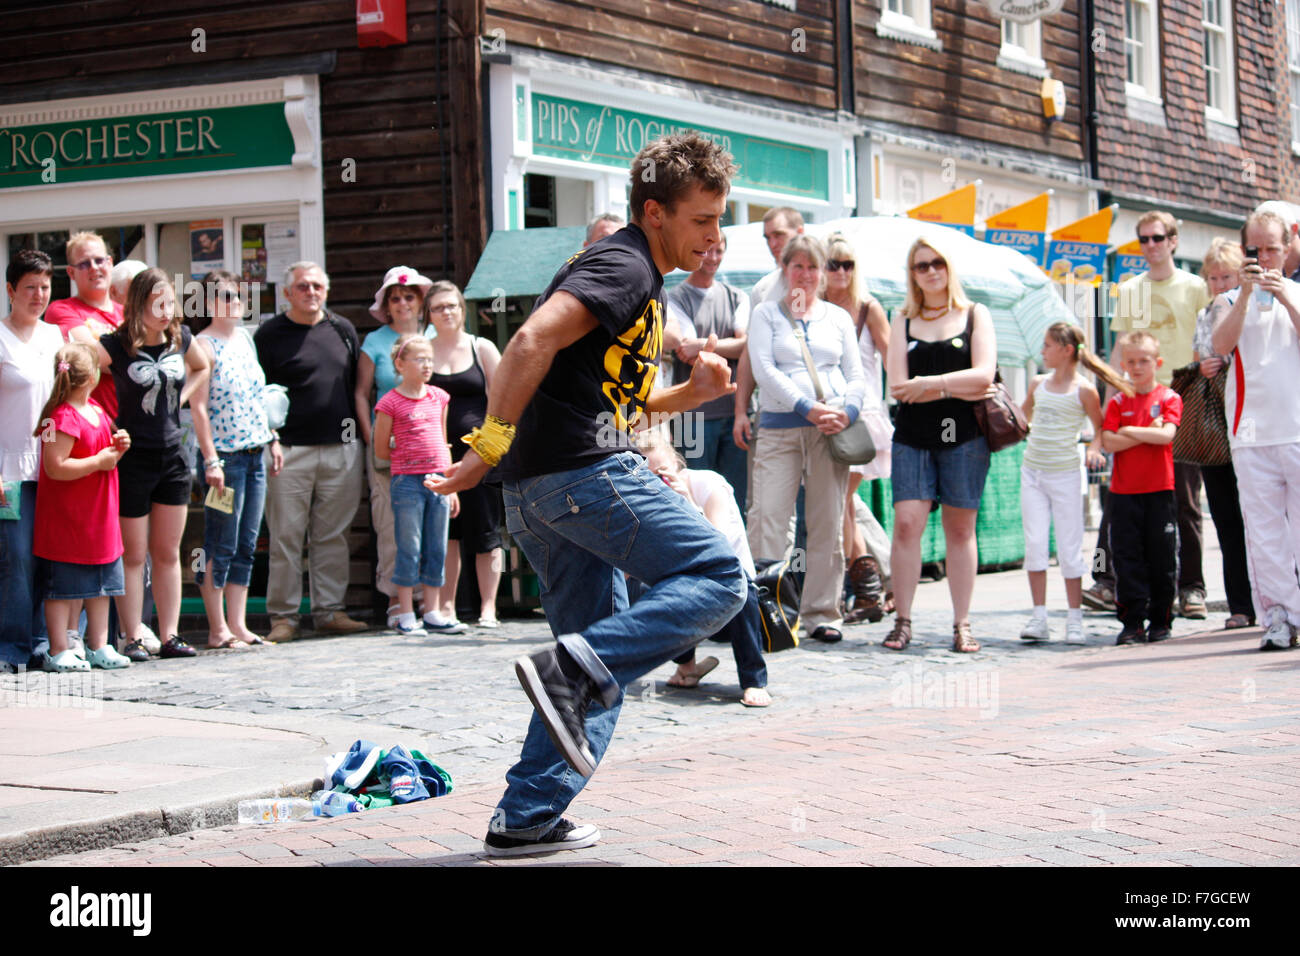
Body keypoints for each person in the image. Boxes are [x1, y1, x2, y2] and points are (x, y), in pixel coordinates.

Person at [430, 132, 745, 857]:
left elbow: (608, 408)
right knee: (720, 574)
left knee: (595, 669)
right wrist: (487, 444)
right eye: (702, 220)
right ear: (655, 212)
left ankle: (526, 816)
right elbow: (528, 342)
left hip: (549, 493)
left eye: (719, 221)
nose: (713, 237)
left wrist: (687, 396)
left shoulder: (645, 280)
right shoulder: (625, 263)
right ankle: (573, 670)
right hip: (582, 479)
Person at [747, 234, 865, 643]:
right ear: (785, 269)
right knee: (768, 520)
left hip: (830, 433)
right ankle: (769, 612)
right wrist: (805, 406)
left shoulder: (838, 318)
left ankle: (822, 613)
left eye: (814, 266)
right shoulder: (766, 314)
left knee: (827, 523)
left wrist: (846, 412)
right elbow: (764, 368)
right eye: (798, 265)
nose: (806, 274)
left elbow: (856, 374)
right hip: (780, 429)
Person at [96, 268, 218, 660]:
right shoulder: (116, 344)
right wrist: (100, 420)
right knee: (133, 553)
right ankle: (131, 636)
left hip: (173, 455)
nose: (166, 312)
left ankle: (170, 635)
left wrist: (182, 399)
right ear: (138, 305)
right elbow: (75, 372)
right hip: (132, 458)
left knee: (168, 552)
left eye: (170, 303)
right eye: (157, 304)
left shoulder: (180, 338)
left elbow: (202, 366)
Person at [883, 237, 997, 654]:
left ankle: (962, 623)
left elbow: (984, 378)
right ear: (912, 275)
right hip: (912, 436)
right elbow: (898, 388)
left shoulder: (974, 314)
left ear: (949, 267)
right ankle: (903, 620)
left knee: (960, 528)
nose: (930, 271)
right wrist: (955, 386)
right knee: (907, 524)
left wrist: (930, 384)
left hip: (964, 436)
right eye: (920, 266)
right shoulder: (903, 320)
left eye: (937, 263)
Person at [1106, 211, 1211, 620]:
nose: (1150, 245)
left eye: (1156, 238)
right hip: (1136, 397)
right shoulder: (1131, 289)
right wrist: (1110, 402)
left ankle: (1191, 587)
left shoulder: (1196, 287)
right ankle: (1113, 581)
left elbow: (1206, 341)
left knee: (1183, 498)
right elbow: (1119, 349)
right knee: (1126, 496)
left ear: (1173, 241)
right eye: (1142, 239)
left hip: (1182, 395)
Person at [255, 262, 367, 642]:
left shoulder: (342, 330)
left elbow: (356, 388)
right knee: (286, 536)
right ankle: (284, 617)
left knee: (333, 535)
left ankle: (329, 610)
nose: (311, 292)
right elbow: (260, 393)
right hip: (289, 451)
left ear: (327, 290)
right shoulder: (269, 335)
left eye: (318, 285)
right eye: (302, 286)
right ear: (287, 293)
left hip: (342, 448)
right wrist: (270, 439)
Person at [1210, 209, 1300, 650]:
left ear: (1288, 248)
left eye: (1271, 249)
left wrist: (1285, 296)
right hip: (1250, 433)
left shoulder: (1296, 294)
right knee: (1264, 533)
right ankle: (1280, 617)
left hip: (1297, 431)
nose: (1263, 258)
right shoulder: (1228, 302)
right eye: (1255, 250)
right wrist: (1244, 295)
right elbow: (1220, 347)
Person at [639, 431, 769, 707]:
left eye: (662, 471)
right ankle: (686, 667)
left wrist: (686, 501)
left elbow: (717, 546)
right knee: (642, 586)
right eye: (649, 476)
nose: (658, 481)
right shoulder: (648, 502)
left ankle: (754, 680)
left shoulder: (709, 483)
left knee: (742, 586)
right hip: (687, 598)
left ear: (676, 461)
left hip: (731, 592)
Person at [1019, 324, 1130, 645]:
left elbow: (1100, 428)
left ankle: (1074, 619)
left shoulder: (1084, 390)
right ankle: (1038, 616)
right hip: (1033, 473)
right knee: (1036, 544)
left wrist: (1094, 449)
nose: (1043, 351)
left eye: (1048, 345)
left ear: (1066, 350)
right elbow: (1021, 420)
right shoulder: (1037, 384)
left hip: (1066, 474)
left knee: (1070, 547)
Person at [31, 343, 133, 671]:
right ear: (91, 376)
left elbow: (104, 456)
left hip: (99, 516)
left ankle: (99, 645)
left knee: (102, 585)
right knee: (63, 588)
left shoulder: (98, 412)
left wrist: (118, 447)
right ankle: (59, 647)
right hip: (70, 519)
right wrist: (98, 461)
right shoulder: (59, 417)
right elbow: (55, 467)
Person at [194, 271, 280, 648]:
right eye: (226, 296)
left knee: (247, 542)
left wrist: (273, 438)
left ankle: (239, 624)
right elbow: (197, 408)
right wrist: (211, 460)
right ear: (209, 302)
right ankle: (217, 628)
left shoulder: (245, 338)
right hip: (224, 461)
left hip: (254, 454)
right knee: (219, 542)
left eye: (239, 296)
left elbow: (256, 396)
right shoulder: (202, 345)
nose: (234, 303)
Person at [354, 266, 435, 625]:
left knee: (430, 524)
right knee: (389, 523)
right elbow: (361, 393)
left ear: (420, 302)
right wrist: (373, 440)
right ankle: (394, 598)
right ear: (387, 304)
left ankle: (428, 601)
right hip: (390, 447)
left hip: (430, 447)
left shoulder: (435, 335)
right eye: (395, 298)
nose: (402, 303)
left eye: (409, 296)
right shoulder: (374, 342)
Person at [821, 231, 894, 625]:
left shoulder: (869, 308)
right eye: (833, 264)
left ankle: (869, 588)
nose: (841, 271)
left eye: (848, 264)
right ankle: (873, 586)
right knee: (843, 503)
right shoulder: (817, 307)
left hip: (863, 416)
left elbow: (891, 357)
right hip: (827, 415)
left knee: (842, 501)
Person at [426, 280, 504, 631]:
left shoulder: (481, 346)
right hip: (436, 454)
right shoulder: (423, 349)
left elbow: (502, 395)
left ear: (462, 309)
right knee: (448, 532)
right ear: (429, 314)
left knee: (487, 531)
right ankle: (446, 607)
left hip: (482, 452)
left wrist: (489, 445)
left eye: (452, 305)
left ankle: (489, 608)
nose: (447, 312)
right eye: (439, 307)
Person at [0, 250, 63, 673]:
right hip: (7, 471)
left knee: (49, 556)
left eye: (45, 287)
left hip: (54, 467)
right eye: (30, 287)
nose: (38, 295)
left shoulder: (57, 336)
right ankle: (11, 645)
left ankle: (43, 642)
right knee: (15, 559)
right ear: (10, 290)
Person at [1190, 239, 1255, 630]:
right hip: (1217, 426)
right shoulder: (1205, 314)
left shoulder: (1253, 309)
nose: (1218, 284)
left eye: (1225, 276)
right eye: (1212, 278)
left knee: (1262, 516)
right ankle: (1240, 604)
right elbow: (1200, 359)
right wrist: (1204, 367)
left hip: (1252, 420)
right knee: (1227, 517)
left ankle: (1274, 597)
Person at [1101, 331, 1181, 645]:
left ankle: (1161, 620)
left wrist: (1129, 431)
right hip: (1123, 493)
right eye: (1131, 361)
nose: (1137, 367)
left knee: (1162, 558)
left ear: (1157, 362)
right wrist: (1146, 430)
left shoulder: (1169, 398)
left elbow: (1166, 436)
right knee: (1126, 558)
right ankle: (1132, 621)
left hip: (1160, 490)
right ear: (1123, 364)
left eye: (1144, 361)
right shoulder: (1119, 400)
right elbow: (1108, 441)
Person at [375, 334, 458, 636]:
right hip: (407, 483)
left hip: (438, 481)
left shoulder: (439, 397)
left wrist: (452, 483)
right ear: (400, 363)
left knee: (436, 546)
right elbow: (381, 449)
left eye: (430, 360)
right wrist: (407, 456)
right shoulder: (390, 402)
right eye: (420, 359)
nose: (427, 365)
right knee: (409, 547)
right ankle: (407, 612)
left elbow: (443, 440)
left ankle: (433, 611)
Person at [665, 232, 749, 514]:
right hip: (692, 415)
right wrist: (731, 346)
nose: (713, 258)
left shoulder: (737, 297)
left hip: (732, 412)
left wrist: (704, 343)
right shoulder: (674, 298)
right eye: (708, 251)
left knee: (734, 497)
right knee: (694, 497)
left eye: (719, 251)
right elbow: (688, 354)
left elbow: (747, 345)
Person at [732, 207, 805, 453]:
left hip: (822, 413)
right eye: (768, 238)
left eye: (779, 235)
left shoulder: (825, 280)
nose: (773, 243)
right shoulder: (763, 290)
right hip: (774, 415)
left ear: (800, 232)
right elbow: (749, 353)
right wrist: (741, 411)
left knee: (826, 493)